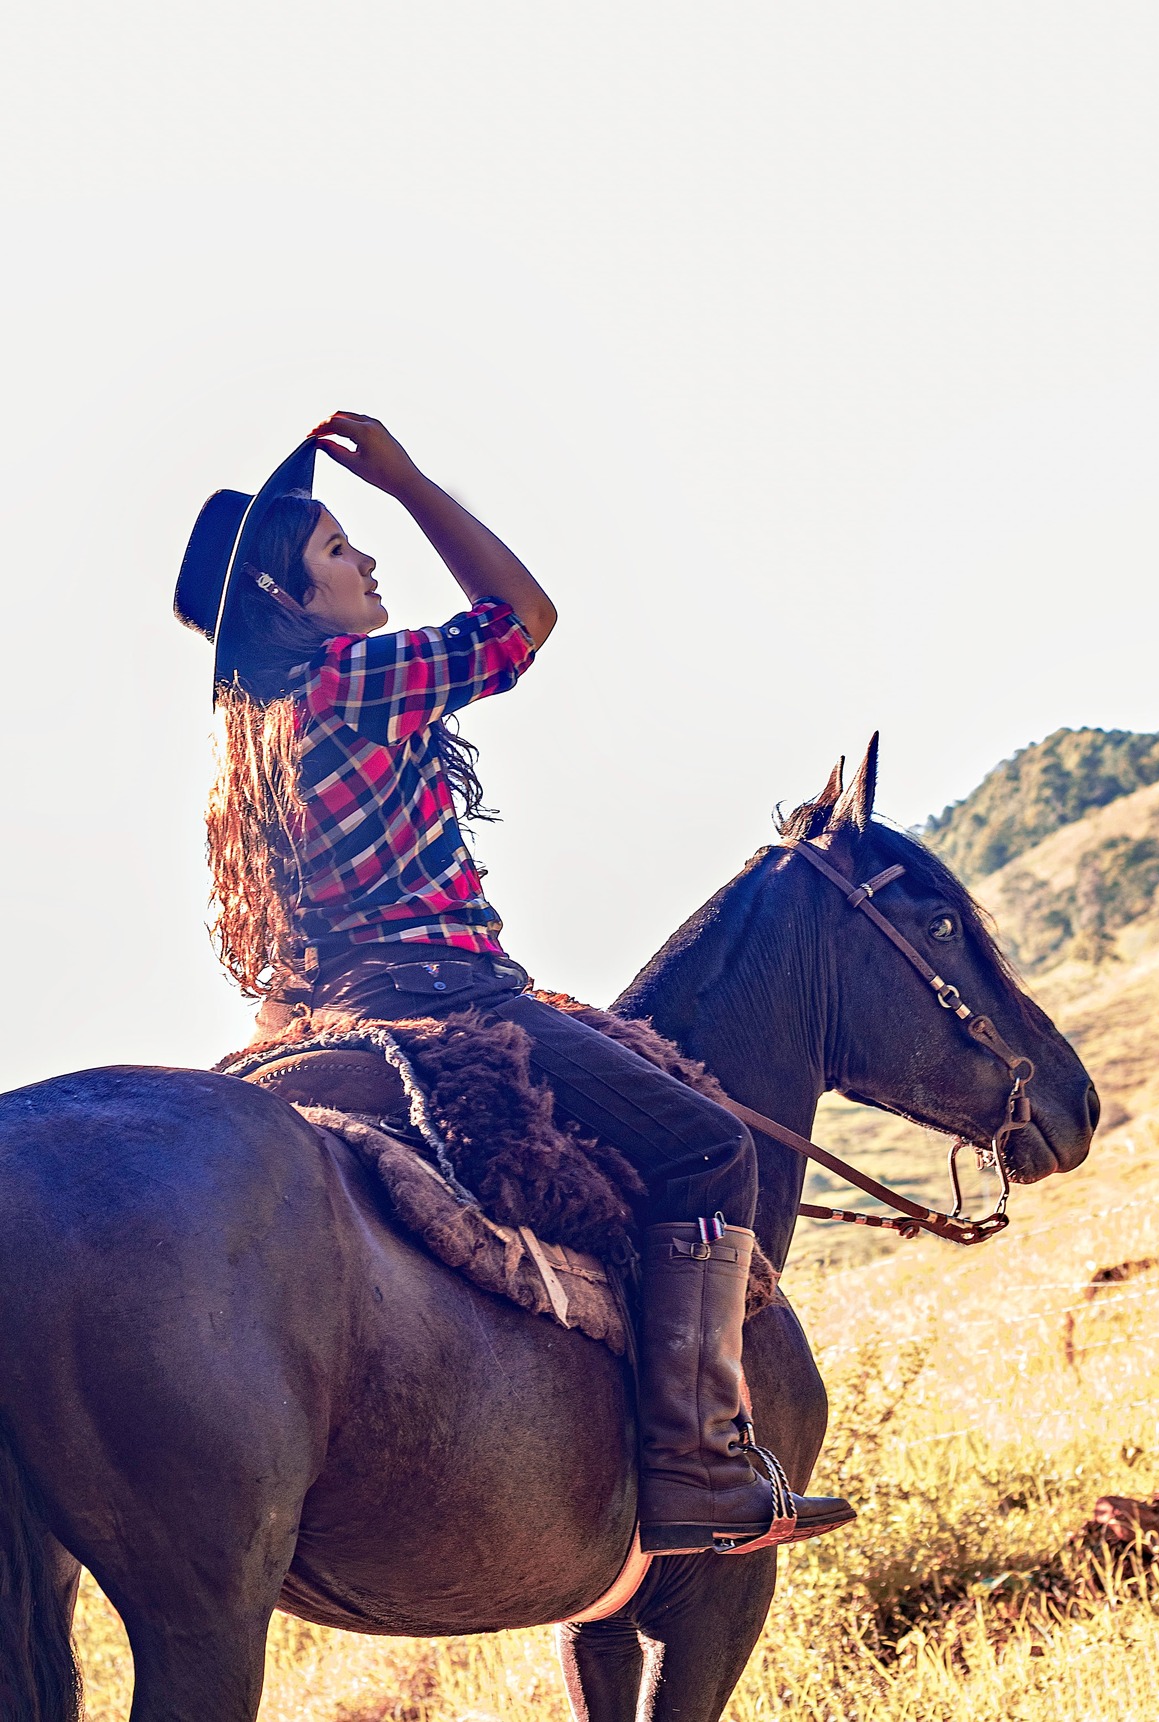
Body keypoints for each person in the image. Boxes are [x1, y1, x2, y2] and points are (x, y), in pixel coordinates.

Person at [175, 412, 853, 1555]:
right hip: (454, 999)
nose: (369, 560)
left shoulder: (247, 741)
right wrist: (413, 481)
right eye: (341, 549)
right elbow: (523, 624)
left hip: (333, 1007)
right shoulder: (352, 680)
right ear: (290, 602)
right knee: (709, 1149)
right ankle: (695, 1466)